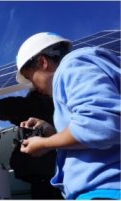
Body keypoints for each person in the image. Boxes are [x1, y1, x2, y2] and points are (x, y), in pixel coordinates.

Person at [15, 32, 120, 199]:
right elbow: (94, 133)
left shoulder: (72, 65)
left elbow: (101, 125)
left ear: (43, 62)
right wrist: (52, 133)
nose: (33, 87)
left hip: (106, 191)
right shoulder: (77, 71)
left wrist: (45, 144)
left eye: (30, 78)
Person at [0, 89, 62, 199]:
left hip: (43, 168)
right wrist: (2, 117)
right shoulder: (49, 108)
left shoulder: (38, 102)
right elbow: (23, 115)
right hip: (46, 169)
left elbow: (15, 105)